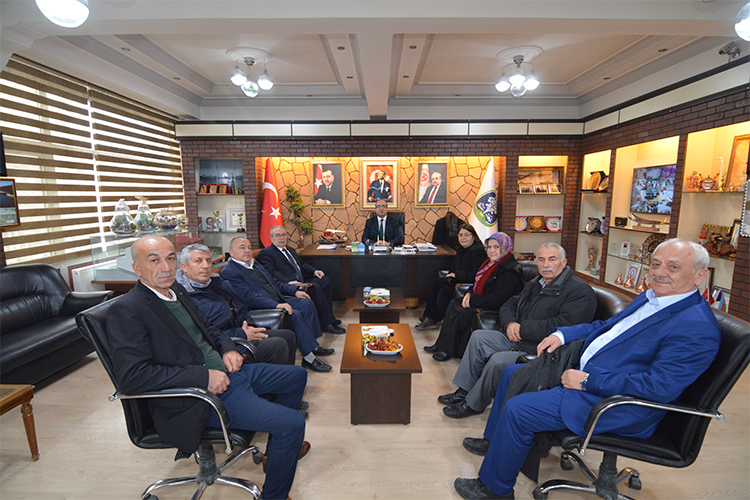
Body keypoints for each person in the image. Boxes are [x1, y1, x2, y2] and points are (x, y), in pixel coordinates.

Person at [454, 239, 720, 500]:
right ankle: (496, 443)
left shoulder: (695, 326)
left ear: (699, 276)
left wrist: (587, 381)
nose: (659, 272)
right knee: (511, 374)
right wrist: (561, 334)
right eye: (656, 264)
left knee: (518, 410)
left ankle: (494, 490)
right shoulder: (652, 298)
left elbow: (658, 386)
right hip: (589, 378)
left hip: (615, 403)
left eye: (673, 267)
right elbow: (605, 328)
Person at [106, 236, 310, 500]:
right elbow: (132, 377)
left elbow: (209, 329)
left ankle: (275, 456)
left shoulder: (176, 291)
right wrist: (204, 377)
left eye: (170, 258)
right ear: (137, 268)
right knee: (292, 424)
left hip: (228, 375)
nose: (166, 267)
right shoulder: (128, 309)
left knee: (296, 376)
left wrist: (228, 348)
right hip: (197, 399)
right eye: (154, 260)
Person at [439, 242, 596, 419]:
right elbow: (509, 304)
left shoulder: (579, 292)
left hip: (541, 349)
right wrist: (510, 323)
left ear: (564, 262)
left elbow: (564, 326)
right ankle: (464, 391)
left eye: (552, 259)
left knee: (498, 361)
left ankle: (473, 404)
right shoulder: (537, 283)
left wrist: (523, 329)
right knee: (478, 338)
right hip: (518, 337)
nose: (546, 265)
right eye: (541, 260)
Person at [221, 237, 335, 373]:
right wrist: (276, 305)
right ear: (231, 252)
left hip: (277, 299)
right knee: (294, 315)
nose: (247, 251)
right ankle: (309, 358)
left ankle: (312, 346)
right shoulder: (230, 272)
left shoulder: (255, 264)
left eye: (249, 247)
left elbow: (274, 282)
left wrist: (295, 291)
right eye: (242, 248)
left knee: (307, 304)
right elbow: (248, 298)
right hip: (261, 307)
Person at [176, 243, 297, 366]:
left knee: (288, 336)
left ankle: (283, 375)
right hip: (225, 345)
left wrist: (249, 327)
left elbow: (241, 306)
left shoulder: (218, 283)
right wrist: (242, 334)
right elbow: (204, 334)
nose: (206, 266)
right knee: (278, 344)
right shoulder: (183, 296)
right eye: (198, 261)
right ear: (184, 267)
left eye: (208, 260)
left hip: (240, 332)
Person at [425, 232, 525, 362]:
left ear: (505, 247)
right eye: (489, 247)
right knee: (454, 303)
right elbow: (477, 281)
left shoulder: (508, 270)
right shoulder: (490, 263)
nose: (492, 251)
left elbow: (497, 300)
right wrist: (469, 293)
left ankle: (448, 350)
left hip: (495, 308)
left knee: (460, 312)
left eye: (496, 247)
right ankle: (440, 344)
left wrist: (472, 300)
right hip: (483, 300)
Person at [258, 225, 345, 334]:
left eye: (283, 235)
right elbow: (272, 273)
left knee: (325, 281)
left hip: (302, 279)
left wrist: (314, 271)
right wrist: (288, 282)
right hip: (288, 284)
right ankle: (327, 324)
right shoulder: (266, 253)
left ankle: (328, 317)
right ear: (271, 238)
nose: (281, 238)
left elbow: (301, 264)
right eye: (278, 235)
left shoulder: (290, 249)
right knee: (316, 287)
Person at [416, 224, 488, 331]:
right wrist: (451, 274)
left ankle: (434, 318)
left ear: (473, 236)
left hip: (468, 283)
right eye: (460, 235)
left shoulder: (479, 252)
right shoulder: (461, 250)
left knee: (444, 291)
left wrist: (456, 275)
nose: (463, 238)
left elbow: (475, 276)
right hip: (459, 279)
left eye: (467, 235)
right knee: (437, 283)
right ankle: (429, 316)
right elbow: (453, 268)